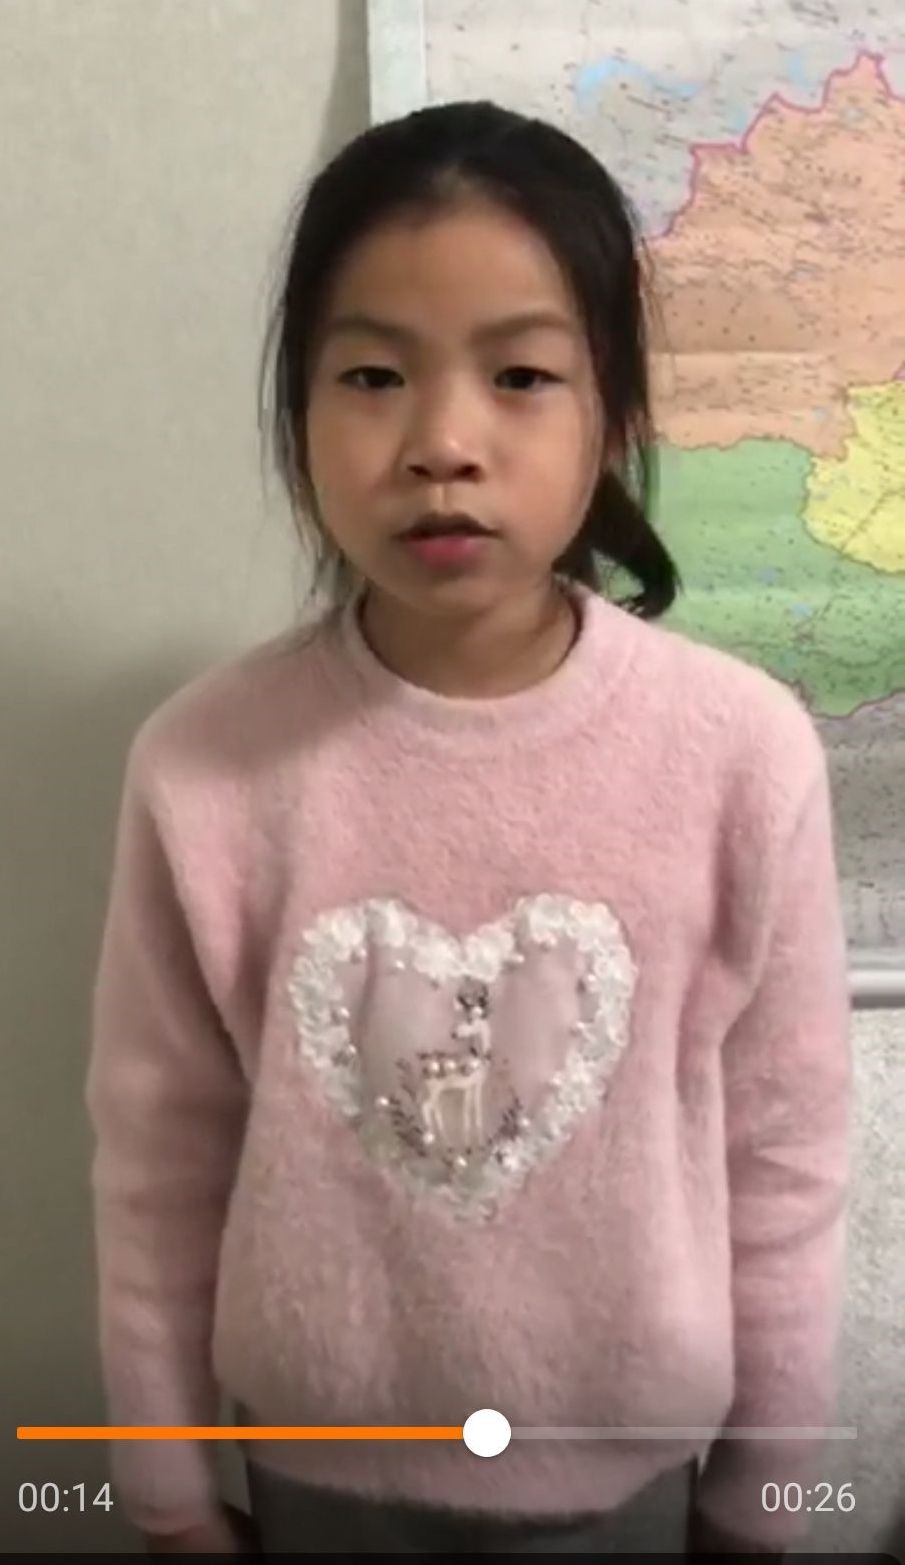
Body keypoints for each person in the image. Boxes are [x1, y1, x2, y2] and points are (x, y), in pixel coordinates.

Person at [85, 100, 852, 1556]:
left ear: (613, 417)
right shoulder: (204, 767)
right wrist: (165, 1497)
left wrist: (770, 1497)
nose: (443, 442)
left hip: (631, 1480)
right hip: (317, 1477)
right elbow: (158, 1164)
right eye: (373, 374)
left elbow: (785, 1156)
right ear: (296, 414)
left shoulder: (740, 754)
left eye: (521, 375)